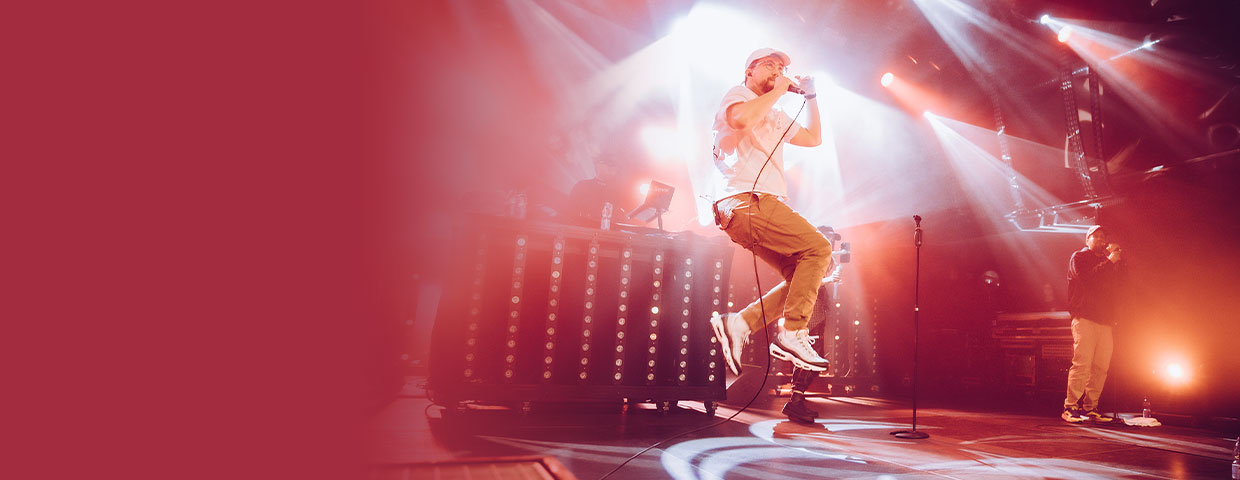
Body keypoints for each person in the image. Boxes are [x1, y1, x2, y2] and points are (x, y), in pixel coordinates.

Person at [708, 47, 832, 396]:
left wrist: (811, 97)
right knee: (819, 249)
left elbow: (814, 138)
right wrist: (779, 90)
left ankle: (741, 322)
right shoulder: (738, 95)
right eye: (769, 65)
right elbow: (740, 121)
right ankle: (792, 333)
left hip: (757, 205)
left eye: (781, 67)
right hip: (746, 200)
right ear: (750, 70)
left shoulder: (775, 114)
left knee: (805, 271)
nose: (777, 70)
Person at [1062, 225, 1127, 423]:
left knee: (1101, 366)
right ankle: (1070, 407)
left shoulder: (1107, 261)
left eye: (1103, 237)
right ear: (1087, 240)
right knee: (1082, 363)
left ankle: (1091, 408)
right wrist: (1110, 261)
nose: (1100, 239)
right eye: (1096, 236)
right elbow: (1088, 280)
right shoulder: (1079, 257)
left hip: (1105, 320)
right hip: (1084, 317)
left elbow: (1120, 284)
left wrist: (1118, 261)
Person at [566, 156, 629, 228]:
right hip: (583, 232)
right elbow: (570, 213)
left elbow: (620, 218)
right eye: (610, 166)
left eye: (615, 169)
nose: (613, 171)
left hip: (607, 234)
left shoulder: (616, 193)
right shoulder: (582, 186)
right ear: (599, 165)